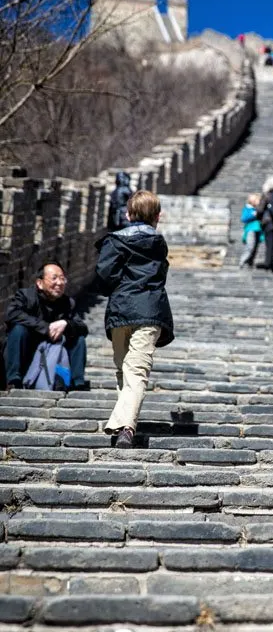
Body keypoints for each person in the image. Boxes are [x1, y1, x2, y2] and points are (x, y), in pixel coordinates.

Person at [95, 190, 174, 448]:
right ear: (157, 216)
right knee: (133, 370)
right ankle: (124, 425)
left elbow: (104, 275)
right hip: (150, 310)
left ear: (128, 214)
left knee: (126, 369)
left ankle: (126, 428)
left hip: (120, 309)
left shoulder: (115, 241)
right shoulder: (159, 243)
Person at [4, 263, 88, 391]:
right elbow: (12, 314)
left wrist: (66, 323)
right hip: (29, 350)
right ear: (40, 283)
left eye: (62, 278)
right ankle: (13, 380)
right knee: (18, 330)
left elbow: (83, 327)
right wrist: (45, 328)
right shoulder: (26, 296)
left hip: (53, 353)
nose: (59, 283)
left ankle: (77, 384)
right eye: (54, 278)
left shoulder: (67, 303)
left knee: (79, 339)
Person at [239, 193, 263, 268]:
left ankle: (250, 262)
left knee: (255, 247)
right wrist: (253, 215)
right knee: (250, 246)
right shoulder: (248, 208)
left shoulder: (258, 209)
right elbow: (243, 218)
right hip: (251, 229)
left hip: (258, 230)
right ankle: (243, 261)